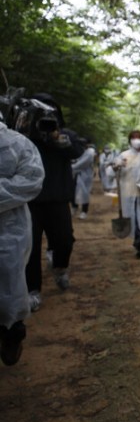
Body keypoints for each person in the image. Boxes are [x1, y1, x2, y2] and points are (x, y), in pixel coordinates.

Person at [24, 93, 85, 312]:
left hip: (58, 200)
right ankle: (33, 290)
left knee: (65, 241)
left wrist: (60, 140)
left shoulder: (65, 136)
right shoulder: (24, 138)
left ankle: (60, 268)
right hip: (30, 202)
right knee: (29, 248)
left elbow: (78, 151)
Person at [0, 110, 45, 365]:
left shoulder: (17, 143)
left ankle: (12, 332)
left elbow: (31, 180)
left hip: (9, 230)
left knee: (9, 281)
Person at [113, 130, 140, 259]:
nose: (137, 140)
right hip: (129, 192)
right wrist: (117, 166)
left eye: (139, 137)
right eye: (134, 137)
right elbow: (113, 171)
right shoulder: (124, 155)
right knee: (134, 219)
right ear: (130, 140)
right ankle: (139, 243)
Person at [71, 140, 96, 219]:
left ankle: (84, 211)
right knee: (73, 192)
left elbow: (82, 163)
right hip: (76, 175)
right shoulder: (77, 151)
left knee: (85, 194)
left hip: (85, 176)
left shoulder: (89, 153)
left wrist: (71, 167)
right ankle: (74, 207)